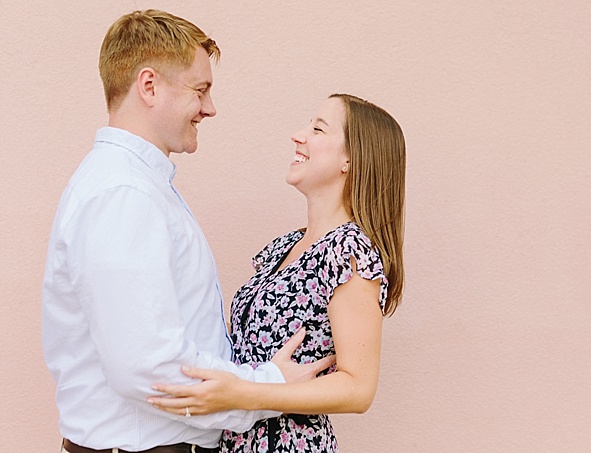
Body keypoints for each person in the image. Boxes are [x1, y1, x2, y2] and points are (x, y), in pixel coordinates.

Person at [41, 10, 332, 453]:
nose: (210, 108)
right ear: (149, 86)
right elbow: (152, 370)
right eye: (201, 90)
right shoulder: (123, 194)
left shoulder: (137, 186)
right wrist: (270, 387)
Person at [147, 93, 406, 452]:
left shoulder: (350, 253)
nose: (298, 136)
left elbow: (358, 387)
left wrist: (244, 393)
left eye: (318, 129)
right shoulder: (285, 247)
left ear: (351, 159)